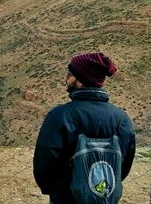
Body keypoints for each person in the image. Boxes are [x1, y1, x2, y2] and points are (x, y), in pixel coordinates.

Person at [33, 52, 136, 204]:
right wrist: (101, 188)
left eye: (69, 74)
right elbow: (125, 161)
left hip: (66, 197)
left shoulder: (61, 115)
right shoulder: (123, 119)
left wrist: (56, 190)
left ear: (81, 82)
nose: (65, 78)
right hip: (106, 197)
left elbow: (44, 162)